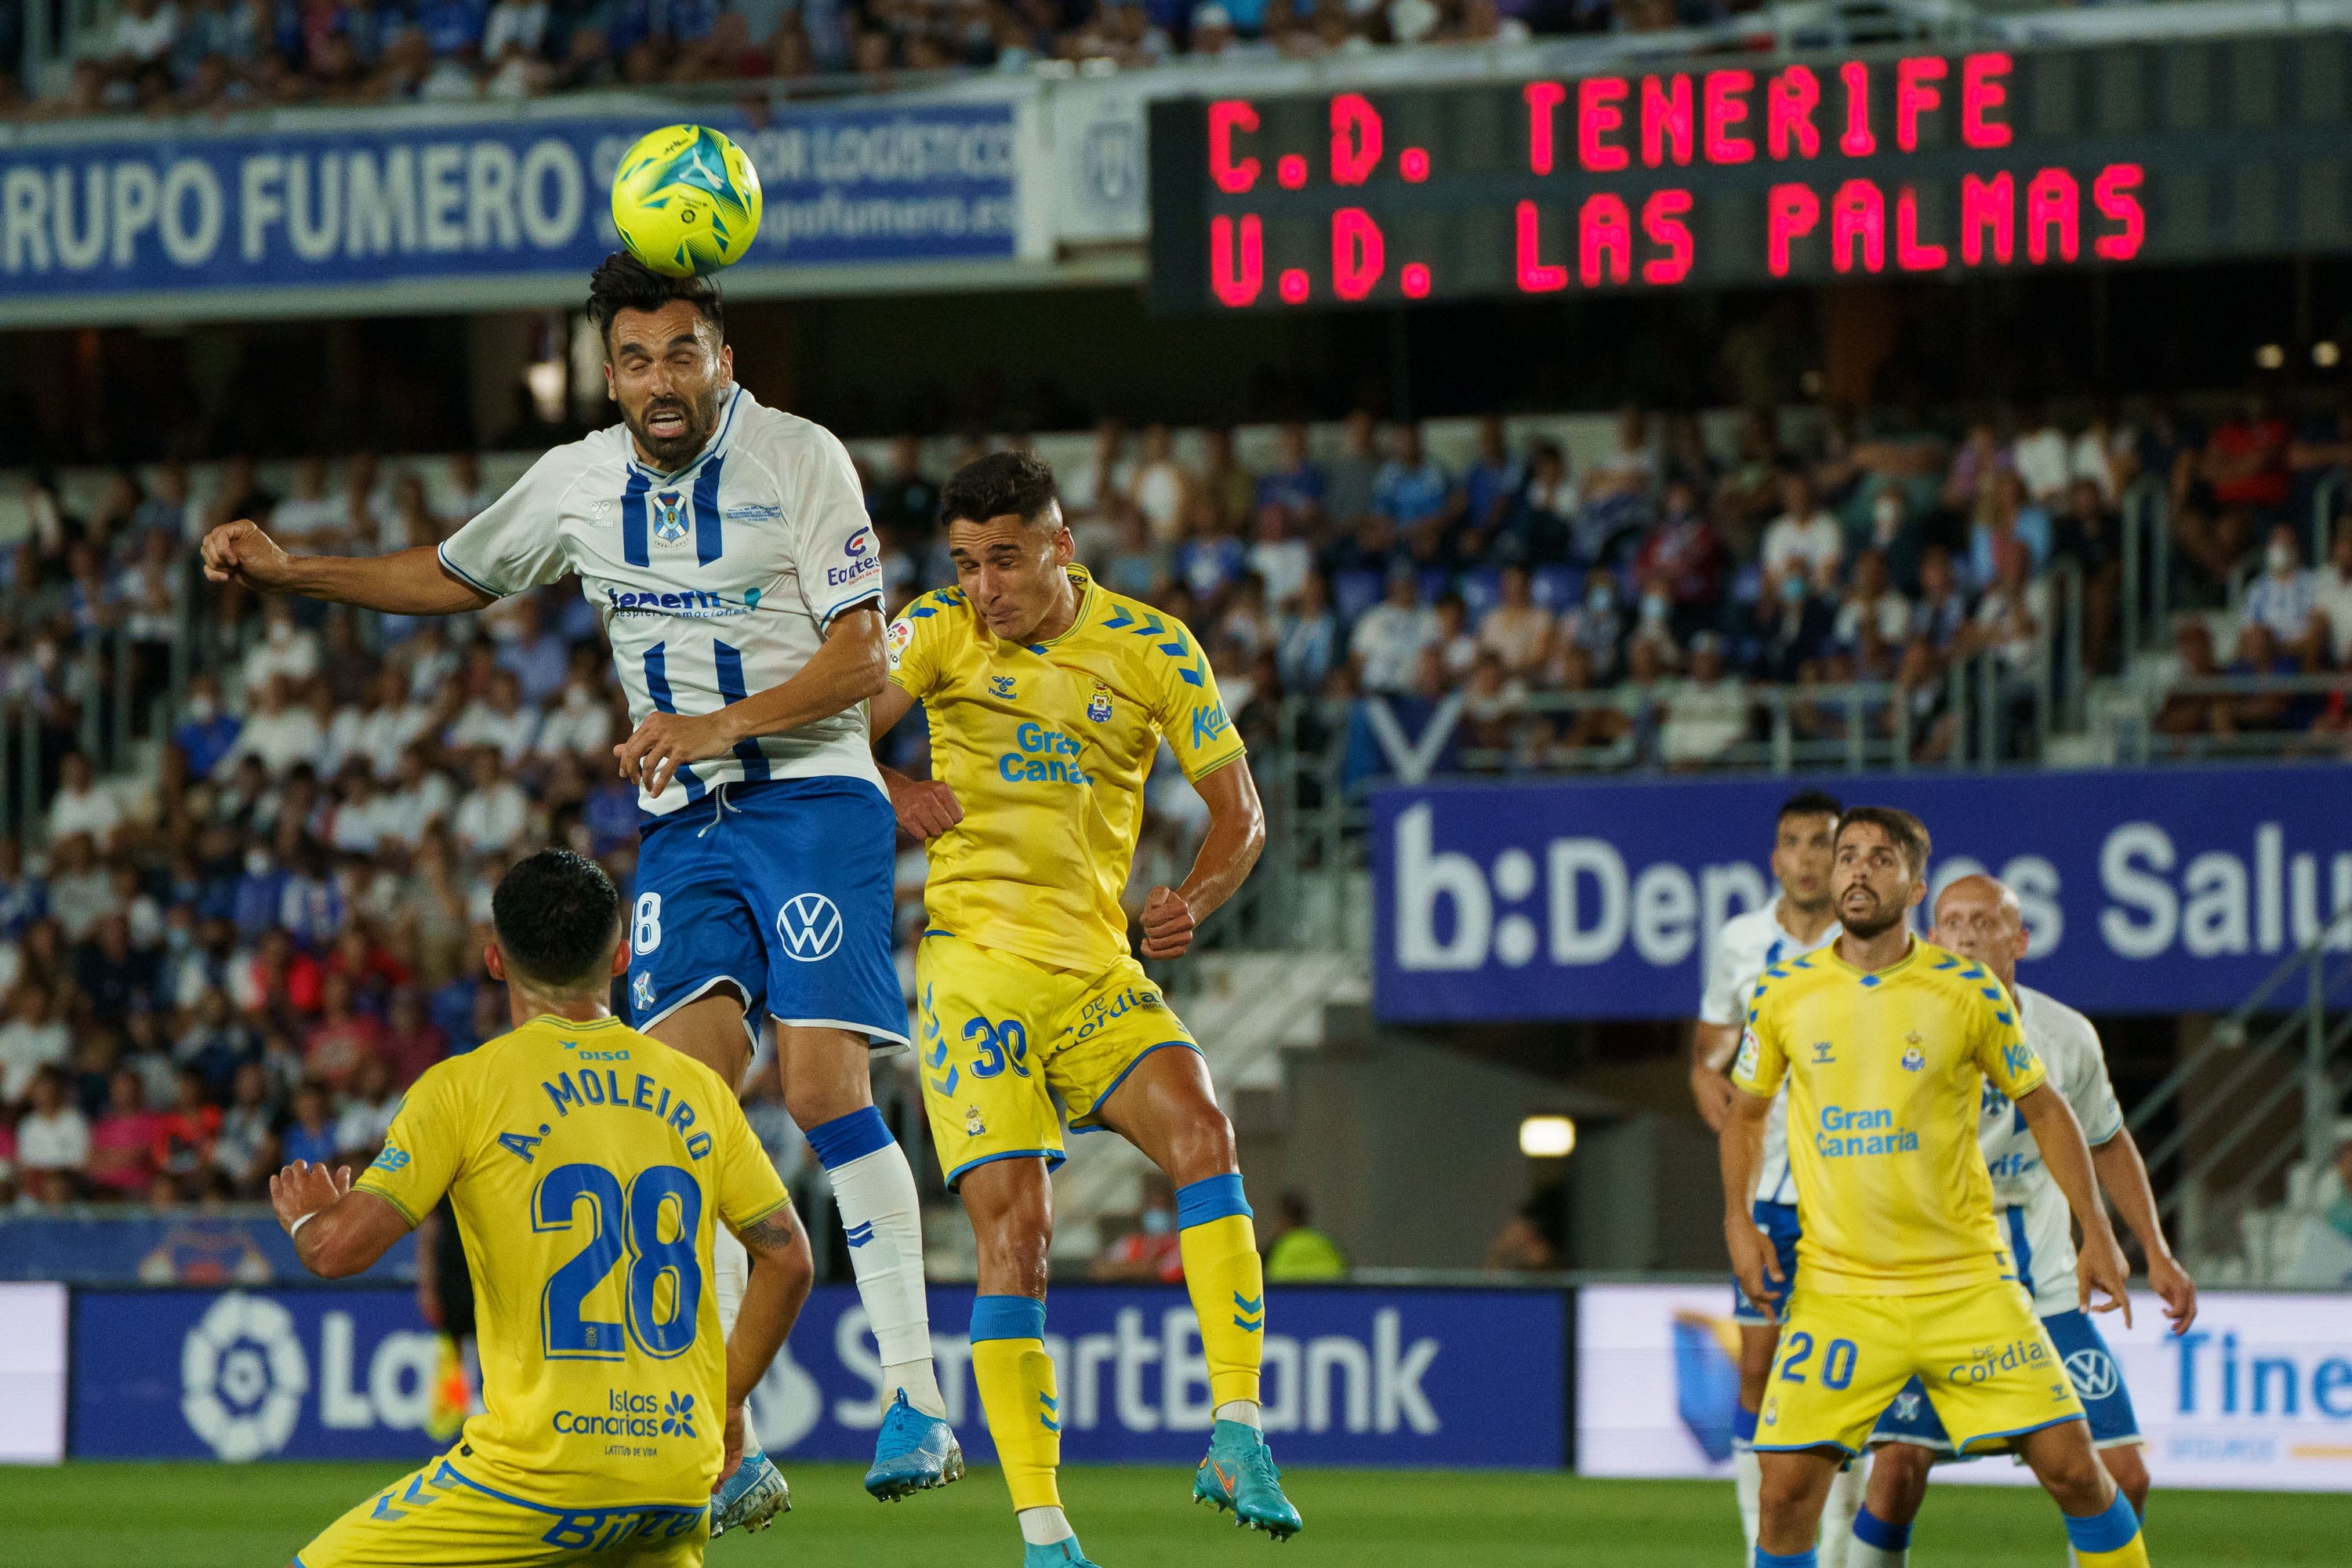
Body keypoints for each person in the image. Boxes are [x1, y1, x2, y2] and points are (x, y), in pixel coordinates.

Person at [201, 251, 959, 1519]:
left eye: (681, 354)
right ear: (604, 373)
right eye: (633, 360)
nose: (659, 382)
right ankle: (729, 1433)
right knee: (680, 1104)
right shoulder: (578, 482)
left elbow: (859, 656)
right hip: (684, 825)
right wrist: (295, 572)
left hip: (814, 796)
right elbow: (451, 574)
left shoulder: (801, 459)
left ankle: (920, 1401)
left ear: (724, 354)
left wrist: (718, 724)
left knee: (824, 1084)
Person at [873, 452, 1303, 1566]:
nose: (983, 589)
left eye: (1004, 561)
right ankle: (1046, 1532)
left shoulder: (1155, 646)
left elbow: (1240, 811)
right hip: (971, 970)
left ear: (1062, 548)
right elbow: (826, 736)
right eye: (965, 564)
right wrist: (897, 785)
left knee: (1207, 1132)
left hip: (1097, 967)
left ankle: (1238, 1431)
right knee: (1019, 1237)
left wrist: (1196, 897)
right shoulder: (933, 631)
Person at [272, 850, 813, 1566]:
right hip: (677, 1476)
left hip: (538, 1476)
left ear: (495, 961)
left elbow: (337, 1252)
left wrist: (310, 1218)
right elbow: (788, 1257)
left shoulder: (464, 1090)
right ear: (621, 956)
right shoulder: (699, 1091)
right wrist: (726, 1401)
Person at [1722, 808, 2153, 1568]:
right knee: (1785, 1490)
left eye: (1878, 858)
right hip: (1841, 1290)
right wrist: (1738, 1219)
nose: (1856, 868)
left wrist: (2095, 1228)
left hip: (1965, 1285)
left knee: (2075, 1468)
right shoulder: (1782, 989)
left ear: (1913, 883)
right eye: (1846, 854)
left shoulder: (1964, 990)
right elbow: (1746, 1113)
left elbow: (2048, 1108)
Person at [1846, 873, 2199, 1567]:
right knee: (1895, 1474)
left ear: (2020, 939)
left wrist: (2153, 1249)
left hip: (2044, 1297)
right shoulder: (1892, 1029)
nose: (1968, 932)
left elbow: (2106, 1137)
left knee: (2122, 1475)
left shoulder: (2065, 1035)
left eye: (1985, 920)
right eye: (1952, 921)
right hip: (1927, 1295)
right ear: (1931, 938)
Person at [1687, 789, 1852, 1564]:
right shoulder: (1742, 941)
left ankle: (1847, 1543)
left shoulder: (1874, 939)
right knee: (1757, 1361)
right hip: (1770, 1190)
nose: (1810, 857)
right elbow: (1710, 1048)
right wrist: (1706, 1081)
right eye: (1795, 841)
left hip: (1857, 1189)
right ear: (1775, 856)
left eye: (1825, 842)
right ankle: (1762, 1539)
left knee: (1858, 1371)